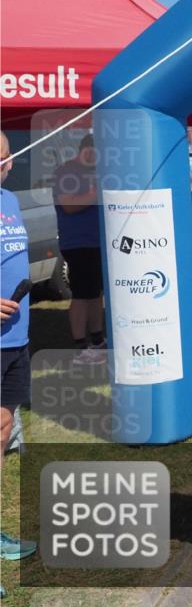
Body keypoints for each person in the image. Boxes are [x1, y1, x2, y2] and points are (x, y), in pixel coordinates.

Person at [0, 132, 38, 568]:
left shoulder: (10, 200)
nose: (4, 165)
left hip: (16, 340)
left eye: (5, 157)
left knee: (4, 430)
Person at [53, 134, 106, 365]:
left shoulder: (94, 170)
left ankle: (97, 340)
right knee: (82, 295)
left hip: (96, 241)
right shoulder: (67, 172)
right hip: (78, 242)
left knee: (94, 293)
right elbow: (68, 205)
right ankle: (81, 347)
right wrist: (96, 193)